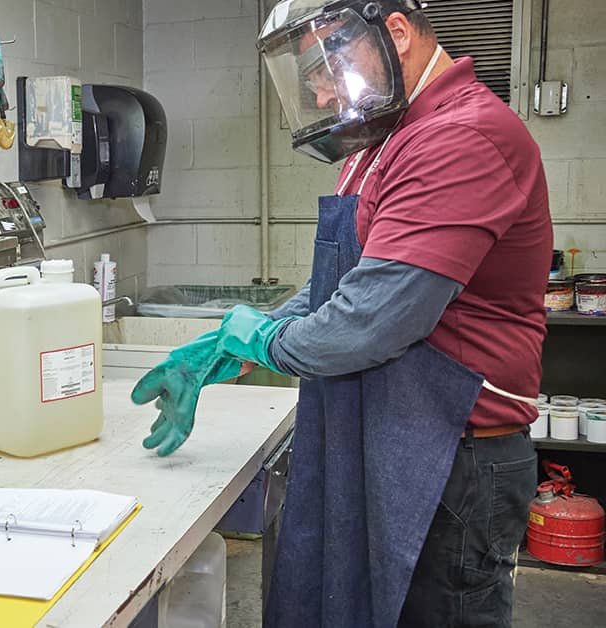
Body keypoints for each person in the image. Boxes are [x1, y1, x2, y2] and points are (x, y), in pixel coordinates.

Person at [131, 1, 551, 626]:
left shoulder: (460, 138)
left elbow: (367, 322)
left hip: (452, 465)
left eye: (328, 67)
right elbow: (338, 289)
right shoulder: (383, 142)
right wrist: (223, 350)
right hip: (383, 434)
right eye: (310, 79)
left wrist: (266, 342)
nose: (324, 94)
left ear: (398, 34)